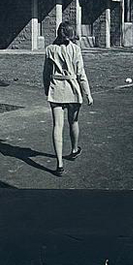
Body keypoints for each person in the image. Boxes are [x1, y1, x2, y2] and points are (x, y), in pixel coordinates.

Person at [42, 21, 93, 177]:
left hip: (56, 90)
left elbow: (45, 73)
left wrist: (46, 90)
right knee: (73, 122)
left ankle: (59, 164)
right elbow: (81, 74)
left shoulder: (50, 49)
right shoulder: (76, 49)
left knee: (58, 125)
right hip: (73, 91)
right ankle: (74, 149)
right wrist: (88, 93)